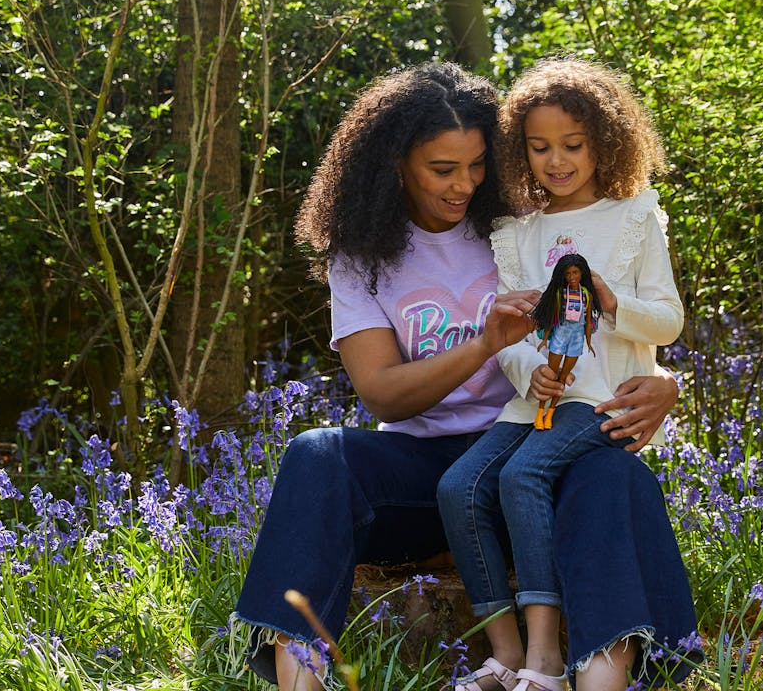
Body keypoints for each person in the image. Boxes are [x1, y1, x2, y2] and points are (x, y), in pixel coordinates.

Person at [231, 62, 693, 691]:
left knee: (613, 471)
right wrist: (484, 345)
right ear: (396, 163)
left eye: (477, 166)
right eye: (443, 170)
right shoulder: (362, 255)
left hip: (538, 447)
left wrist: (668, 383)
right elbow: (381, 391)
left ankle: (600, 674)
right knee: (316, 454)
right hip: (428, 476)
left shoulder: (516, 228)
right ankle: (301, 680)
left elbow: (604, 326)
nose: (465, 185)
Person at [438, 58, 699, 691]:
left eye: (573, 145)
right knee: (460, 486)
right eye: (539, 147)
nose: (556, 160)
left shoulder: (635, 216)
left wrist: (614, 303)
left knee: (524, 474)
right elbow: (508, 335)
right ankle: (505, 654)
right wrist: (531, 373)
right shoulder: (517, 235)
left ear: (604, 142)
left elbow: (668, 323)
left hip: (604, 399)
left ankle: (546, 656)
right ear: (519, 152)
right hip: (538, 402)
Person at [530, 253, 602, 429]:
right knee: (551, 376)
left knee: (562, 379)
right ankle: (539, 413)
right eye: (568, 274)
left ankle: (550, 414)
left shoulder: (586, 294)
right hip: (560, 336)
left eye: (575, 272)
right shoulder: (560, 294)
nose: (572, 277)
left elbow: (587, 321)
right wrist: (545, 339)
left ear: (582, 273)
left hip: (577, 339)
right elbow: (552, 317)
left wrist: (589, 342)